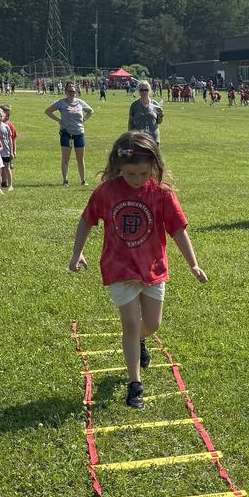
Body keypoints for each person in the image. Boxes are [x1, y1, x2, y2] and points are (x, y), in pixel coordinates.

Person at [68, 132, 207, 410]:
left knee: (152, 324)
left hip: (152, 267)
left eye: (144, 173)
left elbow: (178, 230)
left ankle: (141, 339)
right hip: (120, 267)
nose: (137, 179)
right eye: (130, 173)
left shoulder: (161, 194)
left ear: (154, 166)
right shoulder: (107, 192)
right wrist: (77, 252)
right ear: (118, 166)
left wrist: (193, 263)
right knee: (130, 323)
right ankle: (135, 384)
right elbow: (87, 220)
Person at [45, 81, 93, 185]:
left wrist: (84, 119)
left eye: (74, 91)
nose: (72, 93)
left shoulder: (80, 102)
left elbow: (90, 111)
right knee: (65, 158)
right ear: (66, 92)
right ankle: (65, 180)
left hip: (79, 133)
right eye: (70, 91)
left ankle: (83, 180)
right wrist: (59, 120)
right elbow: (48, 111)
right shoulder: (61, 102)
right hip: (66, 133)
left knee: (80, 159)